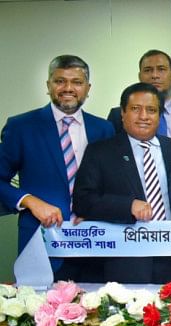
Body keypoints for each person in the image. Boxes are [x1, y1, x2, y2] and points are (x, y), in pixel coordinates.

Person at [0, 54, 114, 280]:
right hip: (42, 243)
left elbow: (112, 183)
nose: (68, 88)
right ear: (48, 85)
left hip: (96, 243)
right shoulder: (21, 127)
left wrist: (98, 210)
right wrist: (30, 201)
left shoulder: (104, 129)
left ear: (88, 88)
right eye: (60, 81)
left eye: (77, 82)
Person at [73, 82, 171, 283]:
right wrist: (127, 205)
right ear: (122, 113)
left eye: (151, 110)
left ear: (159, 115)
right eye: (135, 109)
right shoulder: (100, 152)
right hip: (125, 261)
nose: (143, 116)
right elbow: (83, 201)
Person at [108, 50, 171, 142]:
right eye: (148, 70)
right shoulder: (118, 116)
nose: (155, 75)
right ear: (140, 76)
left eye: (161, 69)